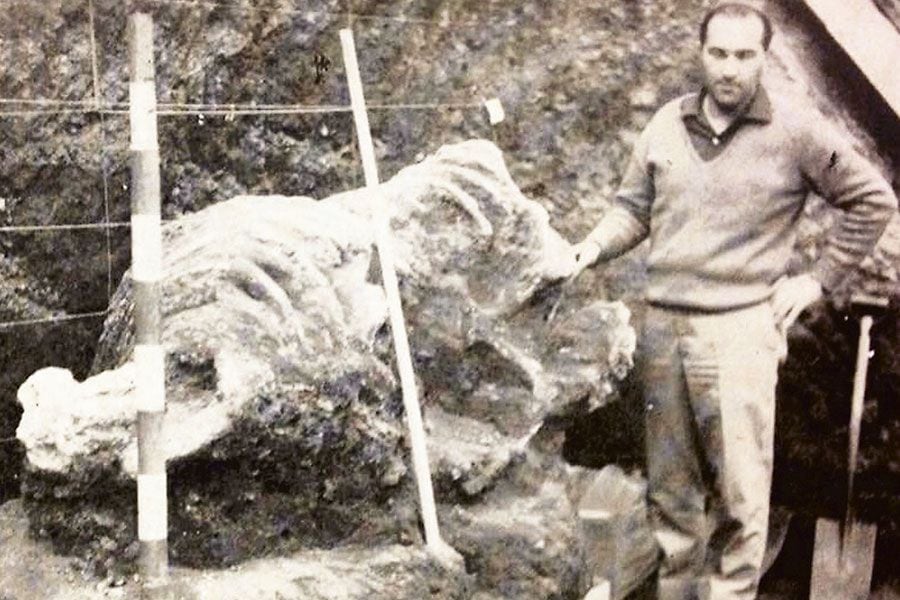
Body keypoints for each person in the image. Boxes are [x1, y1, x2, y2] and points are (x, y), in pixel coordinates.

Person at [568, 1, 897, 598]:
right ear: (702, 55)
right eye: (718, 53)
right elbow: (631, 209)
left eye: (745, 55)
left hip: (740, 333)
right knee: (671, 494)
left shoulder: (797, 131)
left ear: (763, 59)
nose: (730, 68)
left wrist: (817, 279)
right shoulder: (667, 123)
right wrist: (590, 248)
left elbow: (872, 199)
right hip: (664, 329)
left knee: (741, 495)